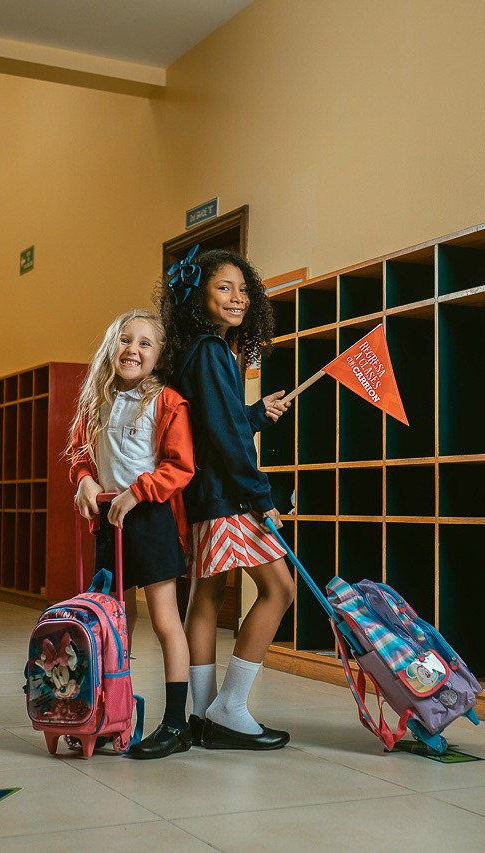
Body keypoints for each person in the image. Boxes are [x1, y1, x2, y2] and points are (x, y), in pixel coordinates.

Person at [158, 246, 296, 750]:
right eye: (224, 288)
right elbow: (227, 438)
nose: (238, 298)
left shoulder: (196, 350)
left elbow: (217, 424)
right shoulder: (213, 352)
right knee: (281, 589)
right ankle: (230, 708)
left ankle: (203, 716)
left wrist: (256, 413)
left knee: (207, 596)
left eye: (243, 289)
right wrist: (261, 496)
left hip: (203, 495)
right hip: (227, 497)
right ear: (199, 296)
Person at [64, 309, 196, 759]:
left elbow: (179, 467)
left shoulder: (168, 401)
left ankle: (176, 722)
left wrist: (137, 494)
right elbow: (81, 457)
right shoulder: (94, 401)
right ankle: (109, 711)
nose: (132, 350)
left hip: (151, 518)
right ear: (111, 346)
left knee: (164, 620)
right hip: (109, 520)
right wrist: (84, 482)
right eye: (125, 340)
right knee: (114, 624)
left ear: (158, 356)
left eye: (145, 343)